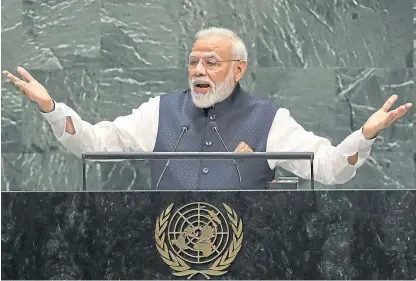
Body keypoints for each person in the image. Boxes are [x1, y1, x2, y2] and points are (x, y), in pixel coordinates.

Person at [3, 27, 412, 190]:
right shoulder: (158, 111)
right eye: (193, 62)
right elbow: (92, 144)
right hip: (162, 259)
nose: (199, 71)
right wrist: (52, 108)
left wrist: (365, 136)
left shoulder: (268, 118)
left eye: (211, 63)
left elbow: (329, 169)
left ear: (239, 68)